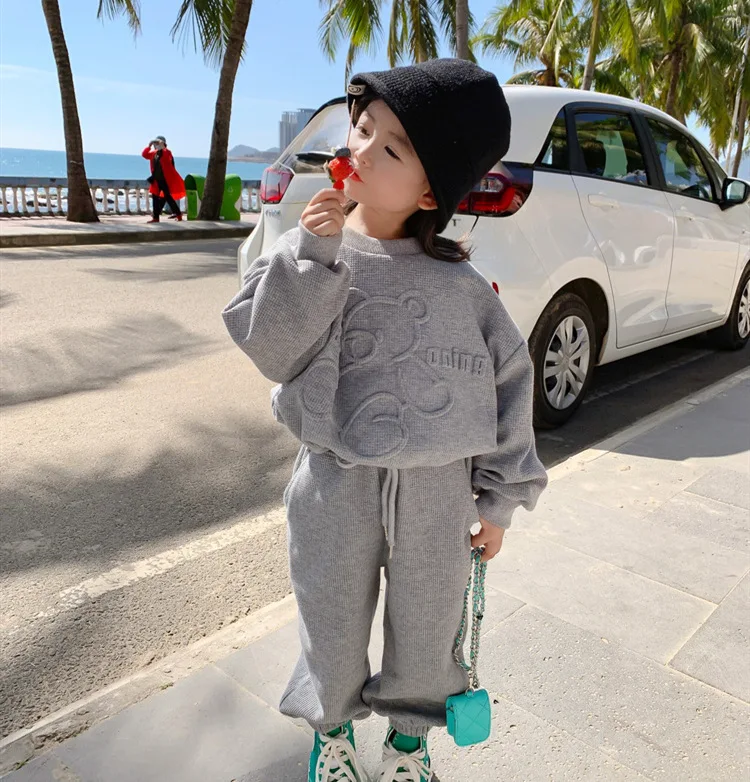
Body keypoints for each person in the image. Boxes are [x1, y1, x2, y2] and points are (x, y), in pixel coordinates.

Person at [222, 59, 548, 782]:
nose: (361, 150)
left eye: (392, 147)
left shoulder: (464, 290)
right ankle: (332, 736)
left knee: (427, 630)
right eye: (362, 128)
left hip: (438, 494)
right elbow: (270, 347)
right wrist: (312, 255)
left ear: (431, 189)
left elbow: (509, 384)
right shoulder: (307, 248)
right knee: (329, 620)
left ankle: (408, 745)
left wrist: (495, 500)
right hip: (333, 482)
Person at [141, 136, 185, 222]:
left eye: (157, 143)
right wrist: (149, 146)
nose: (156, 145)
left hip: (165, 180)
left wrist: (162, 146)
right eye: (155, 144)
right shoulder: (153, 153)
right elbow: (144, 155)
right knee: (155, 199)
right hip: (156, 181)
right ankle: (156, 218)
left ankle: (179, 215)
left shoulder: (167, 153)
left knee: (168, 198)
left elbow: (167, 156)